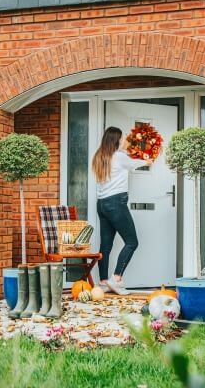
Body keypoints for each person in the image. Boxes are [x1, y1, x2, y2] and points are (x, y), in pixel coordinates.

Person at [91, 126, 153, 295]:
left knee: (106, 245)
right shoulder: (119, 156)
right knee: (132, 241)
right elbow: (135, 163)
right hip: (116, 204)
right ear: (117, 140)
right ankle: (116, 278)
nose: (126, 140)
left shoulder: (99, 156)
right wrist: (147, 161)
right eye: (124, 138)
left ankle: (103, 281)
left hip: (102, 204)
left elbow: (128, 164)